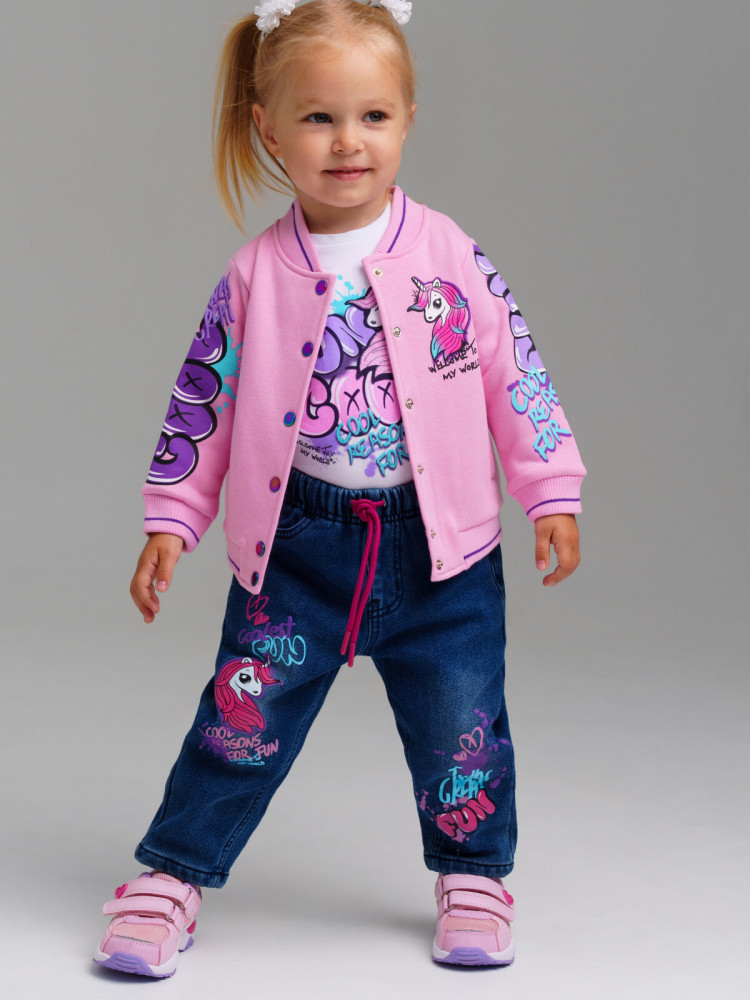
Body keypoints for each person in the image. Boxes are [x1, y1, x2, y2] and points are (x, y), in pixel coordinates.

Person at [94, 0, 586, 978]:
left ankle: (474, 875)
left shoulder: (449, 254)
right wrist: (172, 519)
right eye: (318, 118)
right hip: (297, 554)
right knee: (239, 722)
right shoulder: (252, 276)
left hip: (442, 553)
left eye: (373, 116)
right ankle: (172, 872)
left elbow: (514, 371)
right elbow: (203, 401)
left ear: (408, 120)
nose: (348, 141)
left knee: (462, 726)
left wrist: (551, 488)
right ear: (269, 129)